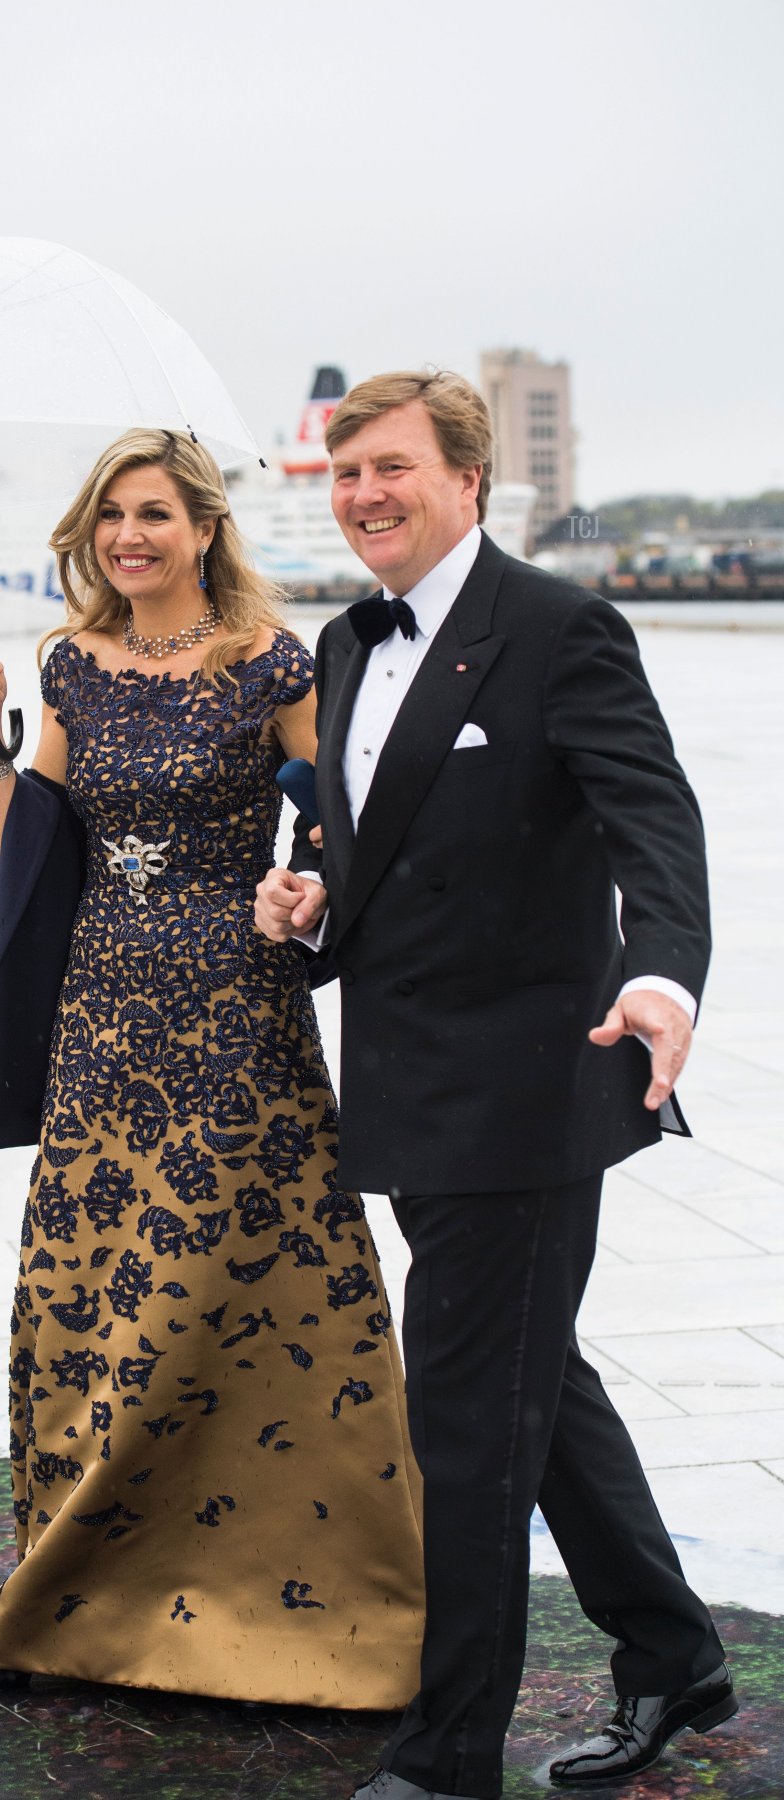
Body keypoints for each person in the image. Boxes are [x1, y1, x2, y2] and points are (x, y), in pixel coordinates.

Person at [254, 371, 734, 1799]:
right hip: (410, 1091)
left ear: (467, 480)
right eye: (347, 476)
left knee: (466, 1421)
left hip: (533, 1091)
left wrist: (661, 974)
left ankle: (449, 1752)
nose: (364, 497)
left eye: (391, 468)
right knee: (533, 1384)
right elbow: (372, 846)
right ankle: (672, 1656)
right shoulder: (344, 642)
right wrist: (311, 900)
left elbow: (657, 821)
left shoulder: (558, 627)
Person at [0, 428, 425, 1708]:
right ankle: (89, 1606)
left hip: (237, 1015)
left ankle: (300, 1610)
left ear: (205, 527)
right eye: (112, 515)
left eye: (154, 513)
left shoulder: (272, 659)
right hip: (99, 1025)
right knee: (98, 1304)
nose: (129, 537)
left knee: (223, 1300)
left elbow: (348, 816)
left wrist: (304, 886)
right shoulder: (71, 666)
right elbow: (27, 849)